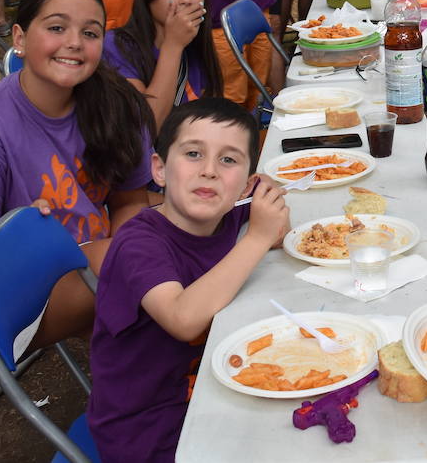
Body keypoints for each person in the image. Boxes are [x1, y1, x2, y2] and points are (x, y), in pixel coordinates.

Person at [0, 0, 154, 377]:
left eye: (90, 32)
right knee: (146, 262)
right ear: (20, 38)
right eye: (57, 27)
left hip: (84, 263)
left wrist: (131, 251)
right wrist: (26, 240)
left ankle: (138, 382)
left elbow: (130, 203)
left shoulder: (116, 108)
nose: (75, 42)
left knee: (152, 253)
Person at [87, 98, 290, 462]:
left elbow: (278, 232)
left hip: (215, 391)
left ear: (244, 183)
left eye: (228, 160)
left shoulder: (225, 214)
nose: (210, 171)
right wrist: (256, 237)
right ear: (160, 169)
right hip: (152, 430)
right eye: (194, 154)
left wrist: (266, 194)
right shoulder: (139, 242)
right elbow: (182, 319)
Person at [105, 0, 222, 131]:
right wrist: (173, 45)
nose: (186, 0)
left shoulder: (194, 45)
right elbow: (147, 128)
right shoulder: (115, 46)